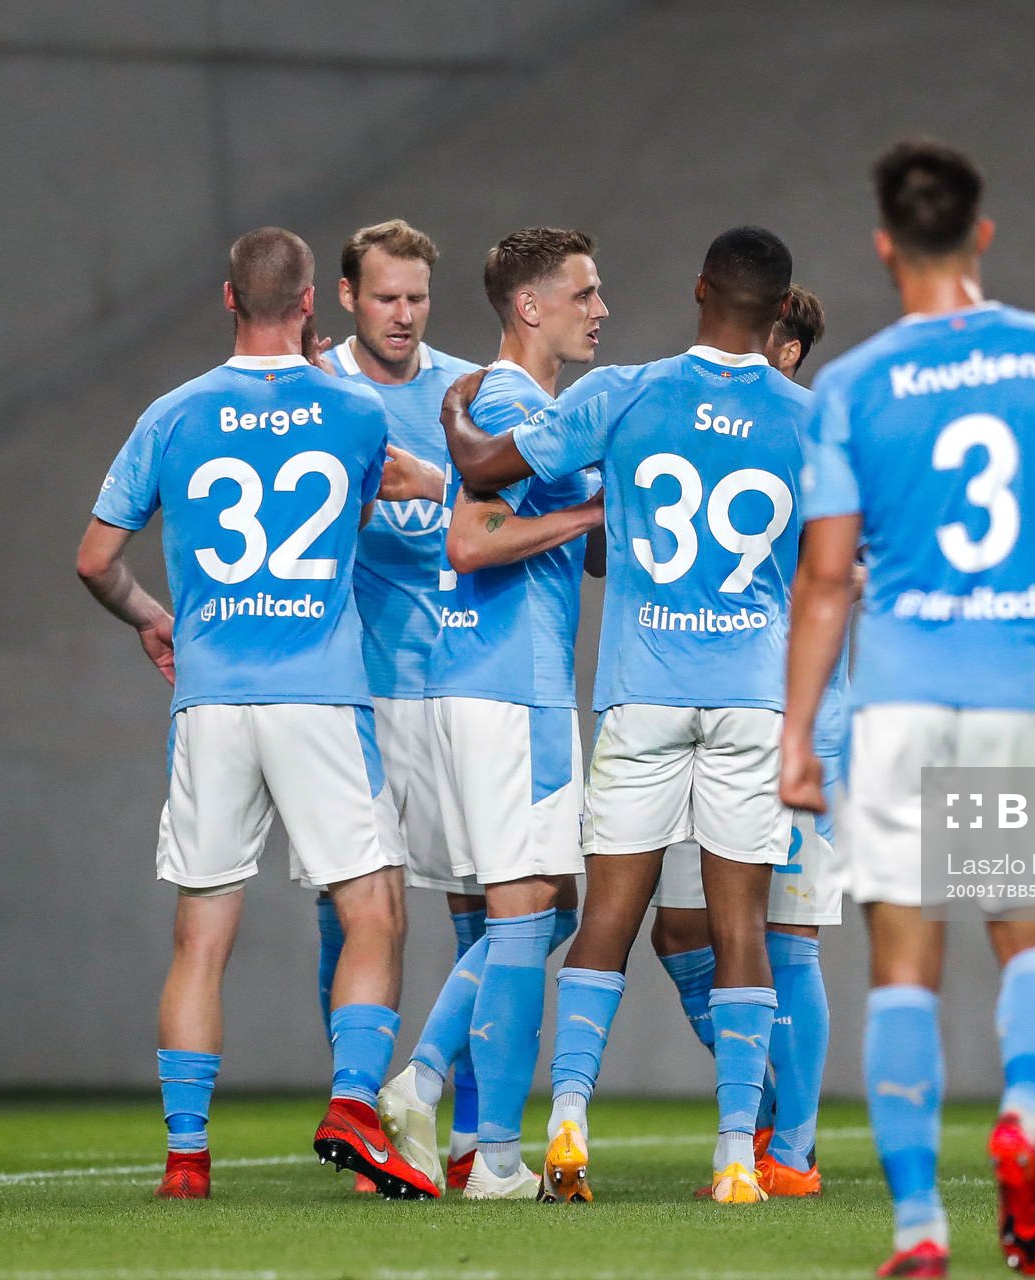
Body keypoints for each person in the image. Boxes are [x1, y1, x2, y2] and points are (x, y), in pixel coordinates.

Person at [779, 140, 1035, 1276]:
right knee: (1032, 941)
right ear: (981, 235)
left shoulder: (849, 386)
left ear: (885, 245)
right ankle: (1023, 1122)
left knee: (903, 965)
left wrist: (799, 734)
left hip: (894, 704)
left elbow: (827, 577)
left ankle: (919, 1229)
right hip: (1020, 694)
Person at [440, 226, 811, 1205]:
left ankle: (567, 1120)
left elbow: (483, 463)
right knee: (741, 924)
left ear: (698, 291)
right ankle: (738, 1151)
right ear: (781, 313)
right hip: (749, 697)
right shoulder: (813, 420)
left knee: (606, 913)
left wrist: (450, 406)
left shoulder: (622, 392)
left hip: (642, 688)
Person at [74, 226, 444, 1202]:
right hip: (320, 693)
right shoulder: (358, 410)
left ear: (227, 299)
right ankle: (355, 1103)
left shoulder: (175, 412)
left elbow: (94, 559)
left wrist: (155, 617)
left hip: (212, 698)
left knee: (201, 933)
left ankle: (188, 1158)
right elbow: (387, 499)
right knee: (375, 909)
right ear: (314, 301)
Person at [377, 227, 605, 1201]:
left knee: (546, 907)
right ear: (531, 306)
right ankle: (492, 1154)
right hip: (512, 685)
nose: (601, 308)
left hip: (476, 681)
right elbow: (475, 540)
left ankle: (427, 1078)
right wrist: (598, 516)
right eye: (585, 292)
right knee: (530, 909)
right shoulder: (511, 402)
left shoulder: (504, 406)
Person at [647, 285, 840, 1198]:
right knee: (681, 928)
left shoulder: (808, 436)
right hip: (714, 716)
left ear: (787, 349)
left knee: (788, 934)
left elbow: (844, 580)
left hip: (804, 720)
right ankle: (764, 1099)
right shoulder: (715, 431)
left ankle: (789, 1151)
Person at [306, 219, 486, 1194]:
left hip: (453, 686)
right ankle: (364, 1110)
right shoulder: (315, 396)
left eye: (417, 296)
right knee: (351, 916)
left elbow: (517, 508)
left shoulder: (462, 392)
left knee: (481, 915)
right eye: (385, 297)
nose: (405, 314)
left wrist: (441, 477)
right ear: (347, 295)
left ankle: (462, 1139)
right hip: (347, 698)